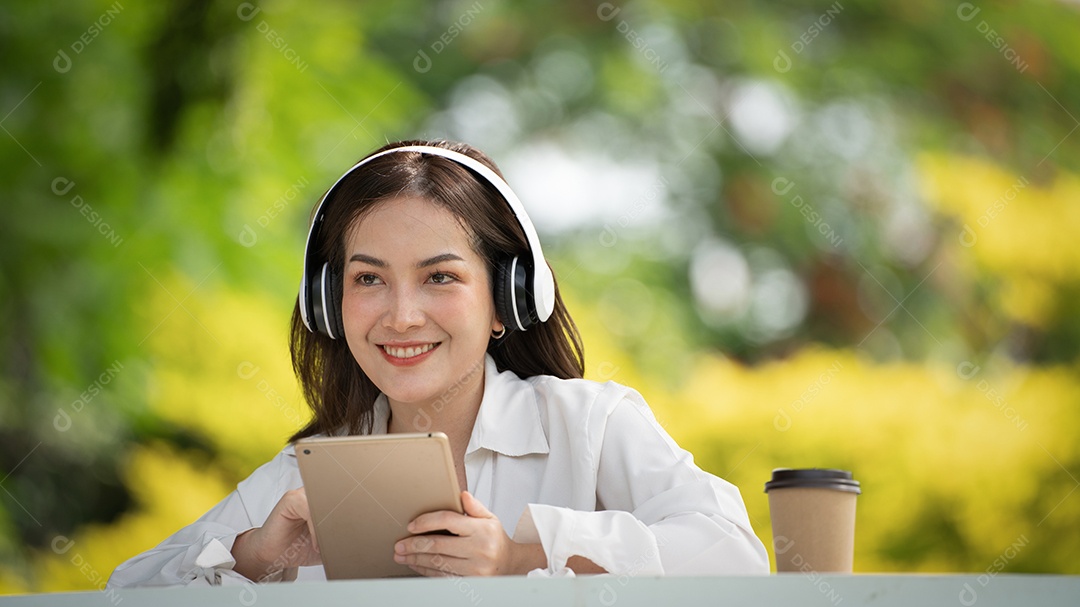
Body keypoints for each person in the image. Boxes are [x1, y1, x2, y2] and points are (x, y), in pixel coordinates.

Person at [108, 139, 769, 587]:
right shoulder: (308, 473)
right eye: (368, 280)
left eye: (440, 277)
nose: (400, 315)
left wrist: (519, 555)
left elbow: (737, 556)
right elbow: (122, 589)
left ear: (507, 297)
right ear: (330, 307)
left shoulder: (591, 426)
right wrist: (255, 556)